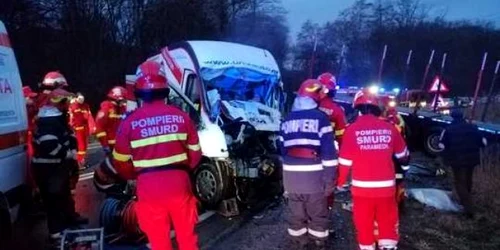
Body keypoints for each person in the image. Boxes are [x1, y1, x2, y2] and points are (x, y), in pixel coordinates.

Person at [113, 61, 202, 250]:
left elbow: (120, 163)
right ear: (165, 89)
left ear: (139, 91)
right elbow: (195, 155)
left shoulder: (129, 123)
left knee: (159, 242)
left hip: (148, 190)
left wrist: (136, 175)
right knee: (187, 239)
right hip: (180, 186)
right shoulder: (182, 117)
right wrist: (181, 170)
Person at [337, 89, 409, 250]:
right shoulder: (390, 128)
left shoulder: (351, 130)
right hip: (386, 189)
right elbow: (403, 155)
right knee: (387, 220)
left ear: (357, 108)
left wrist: (340, 182)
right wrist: (404, 170)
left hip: (361, 190)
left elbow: (344, 161)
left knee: (363, 222)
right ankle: (388, 246)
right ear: (378, 108)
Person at [279, 79, 338, 249]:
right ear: (315, 96)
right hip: (314, 177)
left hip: (290, 176)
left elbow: (282, 148)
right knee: (318, 214)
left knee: (296, 214)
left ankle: (298, 243)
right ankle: (318, 242)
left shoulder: (287, 119)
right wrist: (329, 181)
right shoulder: (321, 118)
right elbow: (329, 155)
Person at [31, 88, 87, 247]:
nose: (69, 105)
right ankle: (56, 235)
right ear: (60, 103)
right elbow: (50, 146)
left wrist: (72, 146)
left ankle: (65, 227)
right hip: (49, 170)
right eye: (67, 102)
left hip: (56, 169)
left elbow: (68, 135)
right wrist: (67, 154)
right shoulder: (49, 121)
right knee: (53, 201)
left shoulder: (57, 118)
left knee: (62, 197)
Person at [439, 109, 486, 218]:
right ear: (463, 116)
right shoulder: (473, 127)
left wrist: (445, 155)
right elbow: (483, 142)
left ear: (452, 117)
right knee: (468, 180)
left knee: (460, 183)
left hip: (457, 160)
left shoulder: (448, 129)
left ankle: (469, 209)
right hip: (472, 160)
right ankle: (467, 200)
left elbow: (441, 145)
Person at [317, 72, 347, 210]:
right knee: (327, 188)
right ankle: (324, 216)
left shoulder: (306, 105)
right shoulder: (337, 110)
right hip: (327, 154)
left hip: (305, 154)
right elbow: (342, 138)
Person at [380, 95, 409, 208]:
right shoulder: (395, 118)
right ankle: (396, 203)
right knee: (397, 180)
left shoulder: (395, 118)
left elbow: (400, 131)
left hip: (393, 153)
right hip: (395, 153)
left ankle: (397, 203)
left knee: (396, 180)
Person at [95, 86, 128, 155]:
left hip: (123, 144)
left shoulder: (122, 108)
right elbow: (99, 128)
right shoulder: (106, 109)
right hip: (112, 145)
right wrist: (105, 144)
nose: (125, 102)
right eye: (123, 100)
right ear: (117, 99)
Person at [69, 92, 94, 170]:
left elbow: (90, 117)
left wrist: (92, 127)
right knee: (81, 147)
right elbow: (70, 118)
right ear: (76, 98)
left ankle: (82, 162)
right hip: (77, 129)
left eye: (83, 99)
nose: (81, 100)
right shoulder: (72, 106)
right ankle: (79, 163)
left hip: (85, 129)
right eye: (80, 99)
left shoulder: (86, 106)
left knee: (85, 147)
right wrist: (71, 128)